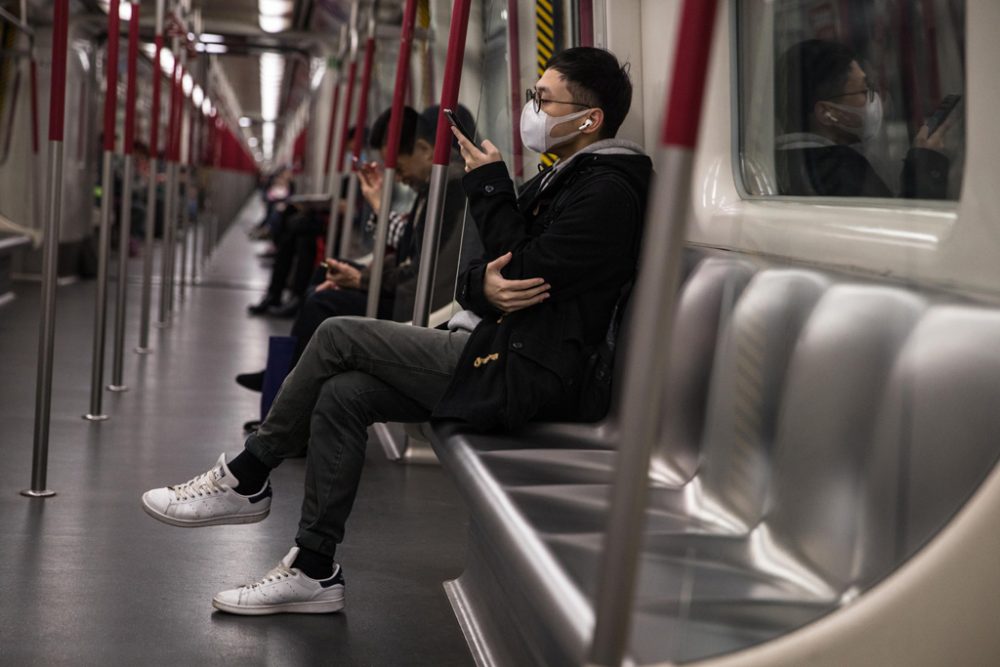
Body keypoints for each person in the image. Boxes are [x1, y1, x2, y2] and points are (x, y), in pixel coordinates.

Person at [141, 46, 651, 616]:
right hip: (501, 346)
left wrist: (487, 187)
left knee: (336, 333)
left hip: (529, 371)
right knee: (342, 396)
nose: (532, 108)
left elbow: (523, 268)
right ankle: (313, 570)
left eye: (544, 98)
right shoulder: (560, 180)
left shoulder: (606, 192)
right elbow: (477, 275)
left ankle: (247, 475)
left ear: (590, 118)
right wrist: (483, 283)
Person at [236, 105, 472, 393]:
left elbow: (422, 275)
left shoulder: (451, 193)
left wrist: (362, 279)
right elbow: (410, 256)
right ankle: (285, 376)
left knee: (321, 303)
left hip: (419, 307)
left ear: (425, 150)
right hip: (408, 292)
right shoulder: (433, 190)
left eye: (398, 167)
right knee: (326, 274)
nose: (398, 177)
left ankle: (286, 389)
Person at [774, 39, 953, 199]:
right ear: (827, 113)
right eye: (864, 90)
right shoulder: (841, 171)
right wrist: (927, 164)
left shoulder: (778, 163)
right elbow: (898, 228)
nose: (874, 99)